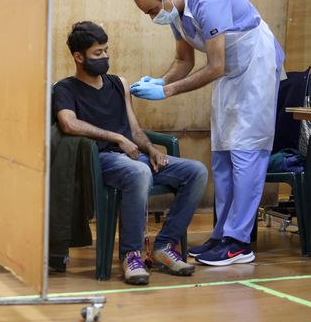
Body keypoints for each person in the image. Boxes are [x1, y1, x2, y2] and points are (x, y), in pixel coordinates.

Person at [132, 0, 285, 266]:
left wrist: (167, 91)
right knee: (223, 153)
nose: (153, 18)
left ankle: (239, 242)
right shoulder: (175, 13)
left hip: (255, 65)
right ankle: (221, 235)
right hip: (230, 72)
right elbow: (184, 61)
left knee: (246, 152)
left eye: (152, 10)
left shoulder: (208, 0)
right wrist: (160, 81)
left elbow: (215, 66)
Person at [53, 21, 207, 285]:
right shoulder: (65, 88)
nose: (105, 57)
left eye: (106, 51)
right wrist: (115, 137)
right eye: (97, 53)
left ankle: (164, 246)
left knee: (196, 171)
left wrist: (152, 149)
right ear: (79, 57)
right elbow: (68, 123)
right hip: (102, 161)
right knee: (138, 172)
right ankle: (131, 255)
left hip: (137, 157)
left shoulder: (118, 84)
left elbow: (134, 129)